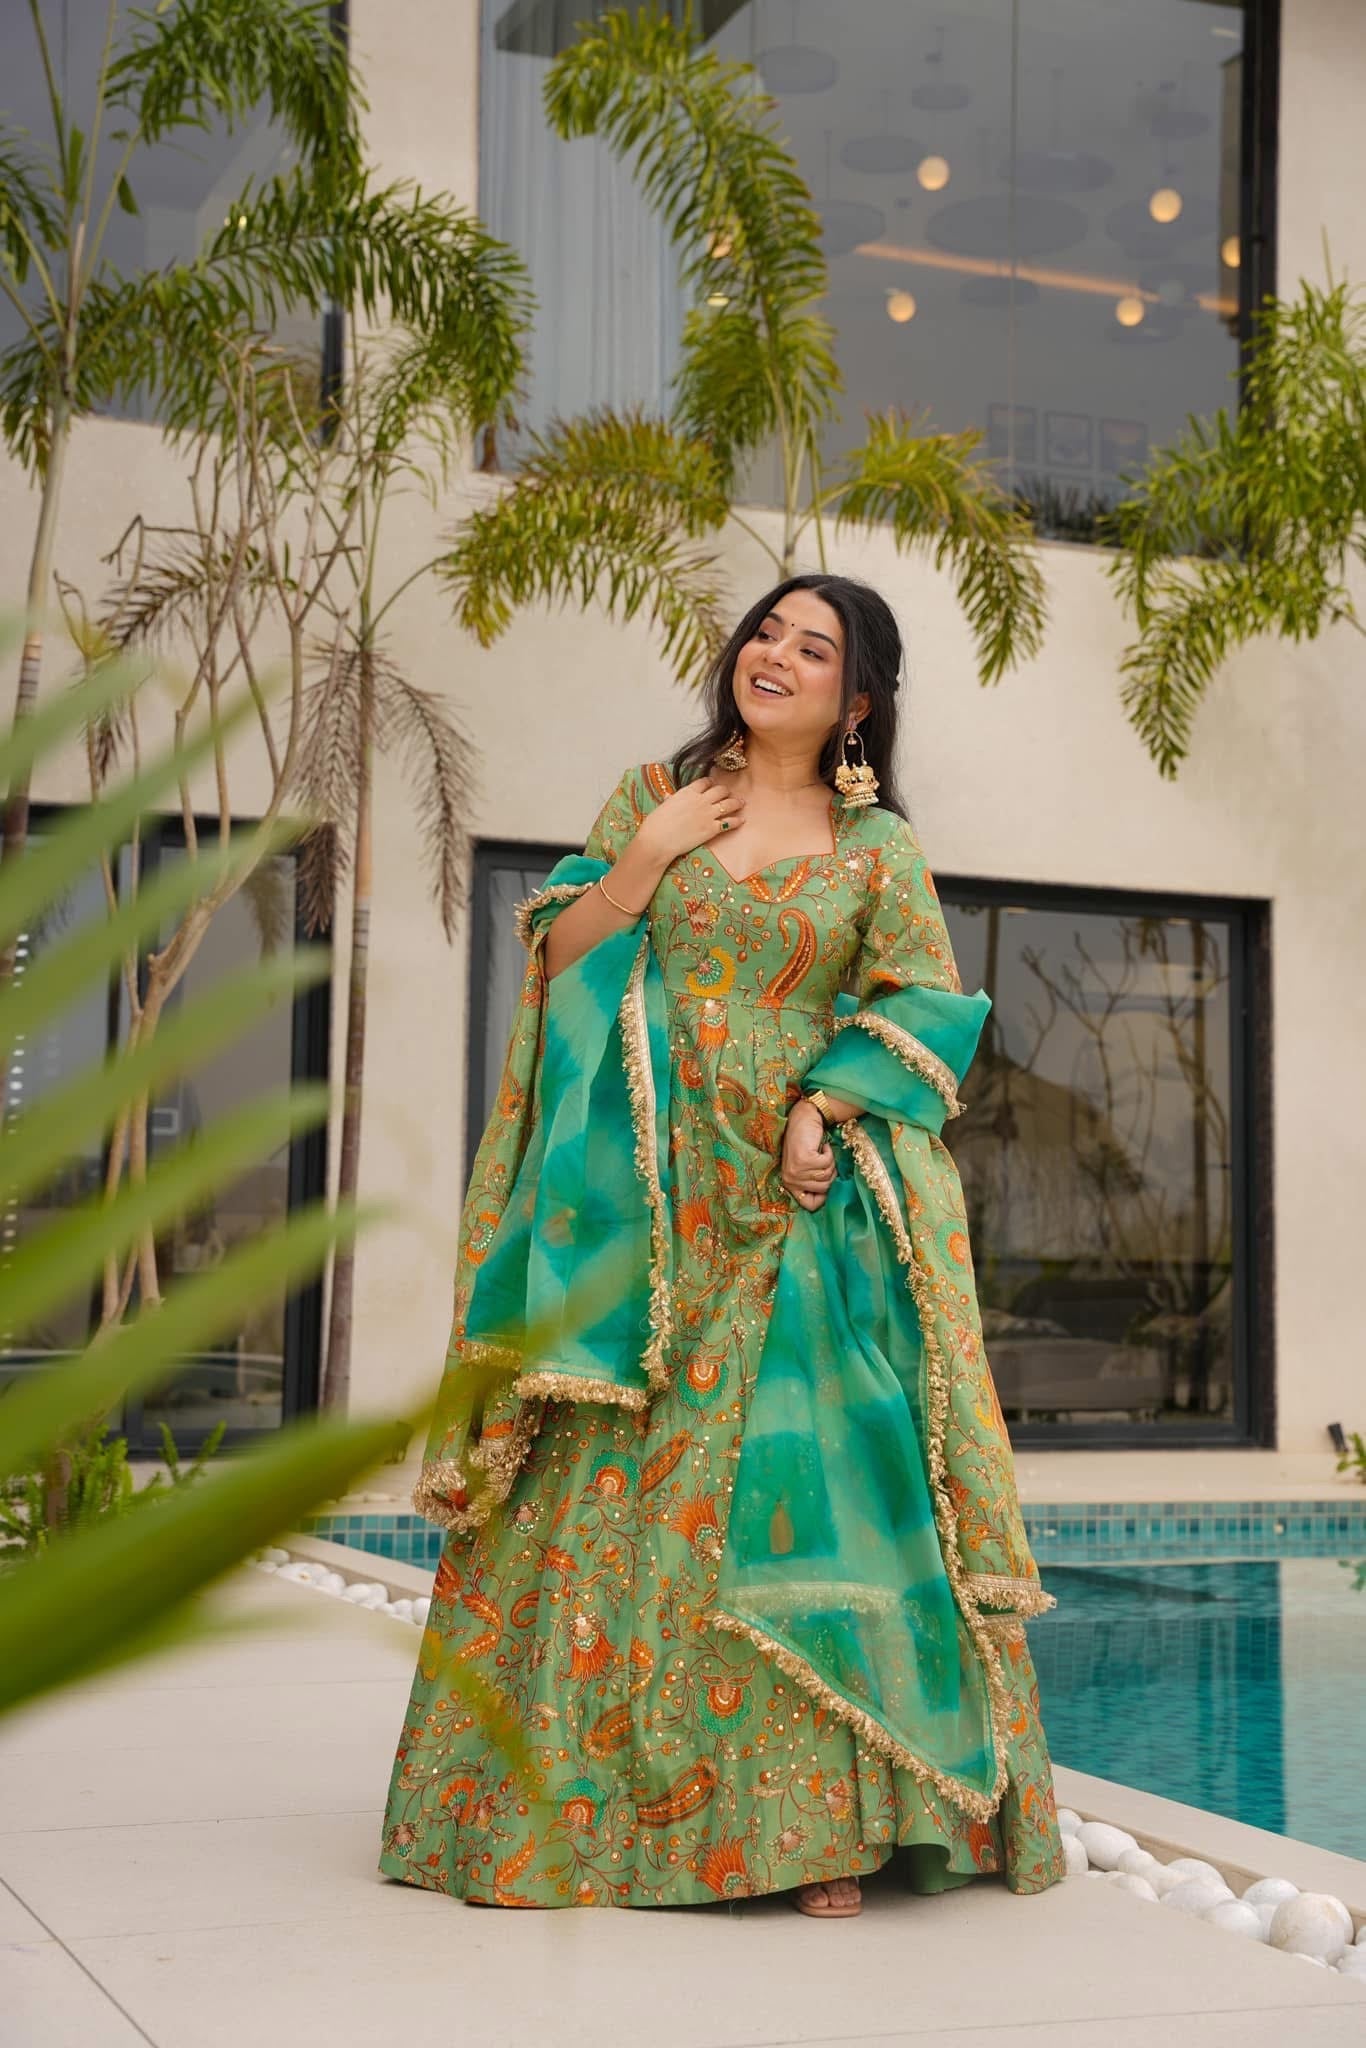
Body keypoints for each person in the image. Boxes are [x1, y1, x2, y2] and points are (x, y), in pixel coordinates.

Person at [379, 573, 1065, 1917]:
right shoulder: (655, 796)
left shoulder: (878, 849)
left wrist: (824, 1106)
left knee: (793, 1487)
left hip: (793, 1212)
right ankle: (566, 1819)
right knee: (614, 1487)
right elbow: (562, 963)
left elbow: (926, 1010)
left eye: (814, 648)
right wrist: (647, 857)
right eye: (766, 631)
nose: (776, 655)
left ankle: (812, 1831)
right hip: (637, 1204)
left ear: (856, 700)